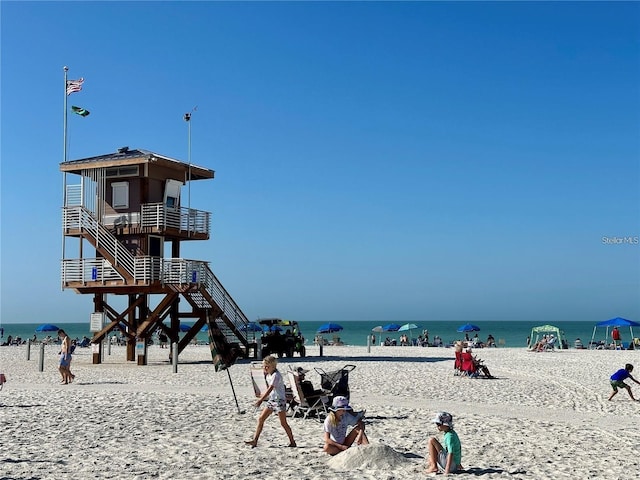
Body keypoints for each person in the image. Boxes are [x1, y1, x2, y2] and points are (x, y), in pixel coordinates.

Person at [245, 355, 296, 448]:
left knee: (283, 423)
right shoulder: (269, 374)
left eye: (266, 366)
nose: (265, 368)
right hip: (272, 400)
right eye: (264, 366)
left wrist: (261, 400)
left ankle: (292, 442)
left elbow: (270, 388)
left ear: (273, 366)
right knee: (261, 419)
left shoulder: (276, 375)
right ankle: (255, 440)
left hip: (279, 400)